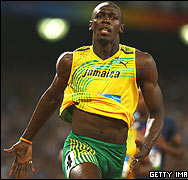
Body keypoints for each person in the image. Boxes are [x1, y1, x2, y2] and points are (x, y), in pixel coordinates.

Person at [4, 1, 164, 179]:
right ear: (91, 24)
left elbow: (156, 112)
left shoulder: (141, 62)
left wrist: (148, 143)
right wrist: (26, 139)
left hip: (117, 153)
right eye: (100, 16)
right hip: (81, 146)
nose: (106, 21)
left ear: (121, 27)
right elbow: (51, 98)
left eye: (113, 18)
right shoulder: (71, 61)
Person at [132, 91, 184, 179]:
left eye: (139, 97)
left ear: (150, 99)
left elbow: (181, 153)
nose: (135, 100)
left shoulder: (167, 122)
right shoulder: (130, 121)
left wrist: (164, 146)